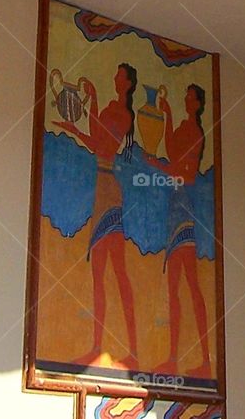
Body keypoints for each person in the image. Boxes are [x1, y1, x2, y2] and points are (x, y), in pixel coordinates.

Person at [54, 63, 140, 371]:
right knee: (100, 273)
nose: (115, 77)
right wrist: (84, 113)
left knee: (117, 271)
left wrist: (86, 112)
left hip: (109, 191)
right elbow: (96, 142)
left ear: (127, 83)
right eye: (114, 73)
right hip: (101, 189)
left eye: (119, 75)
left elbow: (101, 143)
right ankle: (97, 347)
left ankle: (132, 350)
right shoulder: (112, 108)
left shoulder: (123, 113)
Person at [150, 83, 211, 379]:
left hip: (183, 206)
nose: (187, 100)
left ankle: (203, 360)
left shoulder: (197, 133)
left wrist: (154, 166)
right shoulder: (185, 127)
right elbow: (173, 152)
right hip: (175, 206)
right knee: (176, 286)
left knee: (189, 285)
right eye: (184, 97)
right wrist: (168, 115)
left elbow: (184, 172)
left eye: (190, 98)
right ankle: (175, 357)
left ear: (198, 104)